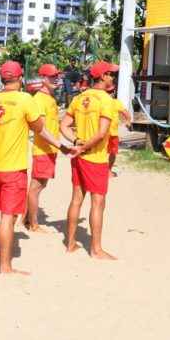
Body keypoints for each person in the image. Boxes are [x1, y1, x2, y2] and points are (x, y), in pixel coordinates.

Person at [0, 60, 72, 275]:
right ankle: (5, 266)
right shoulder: (25, 100)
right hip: (14, 169)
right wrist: (62, 147)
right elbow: (42, 130)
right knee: (8, 217)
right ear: (20, 78)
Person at [60, 60, 118, 260]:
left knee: (76, 199)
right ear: (103, 76)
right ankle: (96, 249)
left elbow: (63, 126)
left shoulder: (79, 98)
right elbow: (102, 133)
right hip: (95, 158)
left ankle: (70, 243)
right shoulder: (106, 101)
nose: (113, 77)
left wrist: (76, 142)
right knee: (98, 202)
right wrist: (83, 147)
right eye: (111, 74)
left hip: (79, 157)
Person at [23, 64, 62, 232]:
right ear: (44, 79)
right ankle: (33, 224)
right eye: (52, 77)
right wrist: (61, 145)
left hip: (50, 150)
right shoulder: (39, 99)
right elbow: (41, 129)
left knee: (39, 186)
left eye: (56, 76)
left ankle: (27, 219)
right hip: (43, 150)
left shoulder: (50, 98)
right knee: (36, 188)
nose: (56, 79)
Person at [106, 86, 131, 177]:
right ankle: (105, 171)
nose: (111, 93)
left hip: (108, 133)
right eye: (109, 91)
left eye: (111, 91)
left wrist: (127, 121)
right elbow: (126, 113)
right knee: (108, 152)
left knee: (109, 152)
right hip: (106, 133)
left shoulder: (114, 102)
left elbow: (125, 113)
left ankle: (106, 171)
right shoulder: (109, 102)